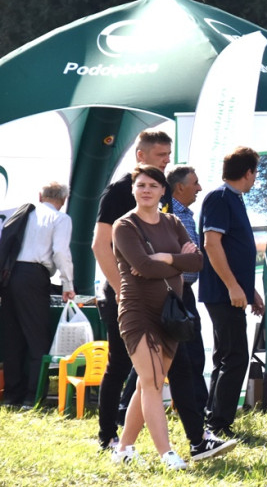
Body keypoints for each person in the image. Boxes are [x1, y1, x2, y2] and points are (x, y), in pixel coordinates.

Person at [92, 130, 234, 463]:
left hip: (170, 301)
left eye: (169, 156)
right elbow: (105, 247)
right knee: (127, 369)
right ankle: (113, 437)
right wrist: (126, 287)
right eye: (160, 156)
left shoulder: (167, 208)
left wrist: (168, 262)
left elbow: (191, 257)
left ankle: (175, 441)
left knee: (165, 373)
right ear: (140, 156)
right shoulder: (118, 196)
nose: (166, 162)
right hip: (128, 299)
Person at [109, 166, 203, 469]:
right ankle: (166, 453)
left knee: (149, 382)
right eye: (140, 185)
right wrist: (177, 262)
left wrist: (164, 258)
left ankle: (124, 448)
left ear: (164, 190)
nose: (146, 190)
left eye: (152, 185)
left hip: (169, 314)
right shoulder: (124, 226)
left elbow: (198, 261)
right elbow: (141, 267)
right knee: (151, 382)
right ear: (133, 190)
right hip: (137, 312)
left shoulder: (174, 222)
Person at [199, 146, 264, 439]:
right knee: (235, 357)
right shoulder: (219, 197)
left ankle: (213, 417)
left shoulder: (234, 199)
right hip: (223, 293)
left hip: (234, 292)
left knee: (225, 355)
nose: (255, 180)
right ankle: (219, 424)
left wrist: (249, 291)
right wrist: (233, 286)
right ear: (248, 172)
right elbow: (212, 245)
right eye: (255, 174)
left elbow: (236, 249)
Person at [0, 182, 74, 408]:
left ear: (40, 196)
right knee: (37, 338)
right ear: (63, 200)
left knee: (11, 338)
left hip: (8, 275)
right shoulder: (60, 219)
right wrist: (68, 283)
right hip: (34, 276)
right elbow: (61, 251)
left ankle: (12, 395)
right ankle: (33, 396)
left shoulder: (24, 214)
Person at [167, 164, 208, 409]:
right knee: (180, 351)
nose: (199, 188)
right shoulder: (169, 214)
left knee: (193, 351)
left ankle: (195, 404)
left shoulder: (186, 214)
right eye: (195, 183)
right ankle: (195, 404)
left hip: (186, 292)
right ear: (180, 187)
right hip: (173, 292)